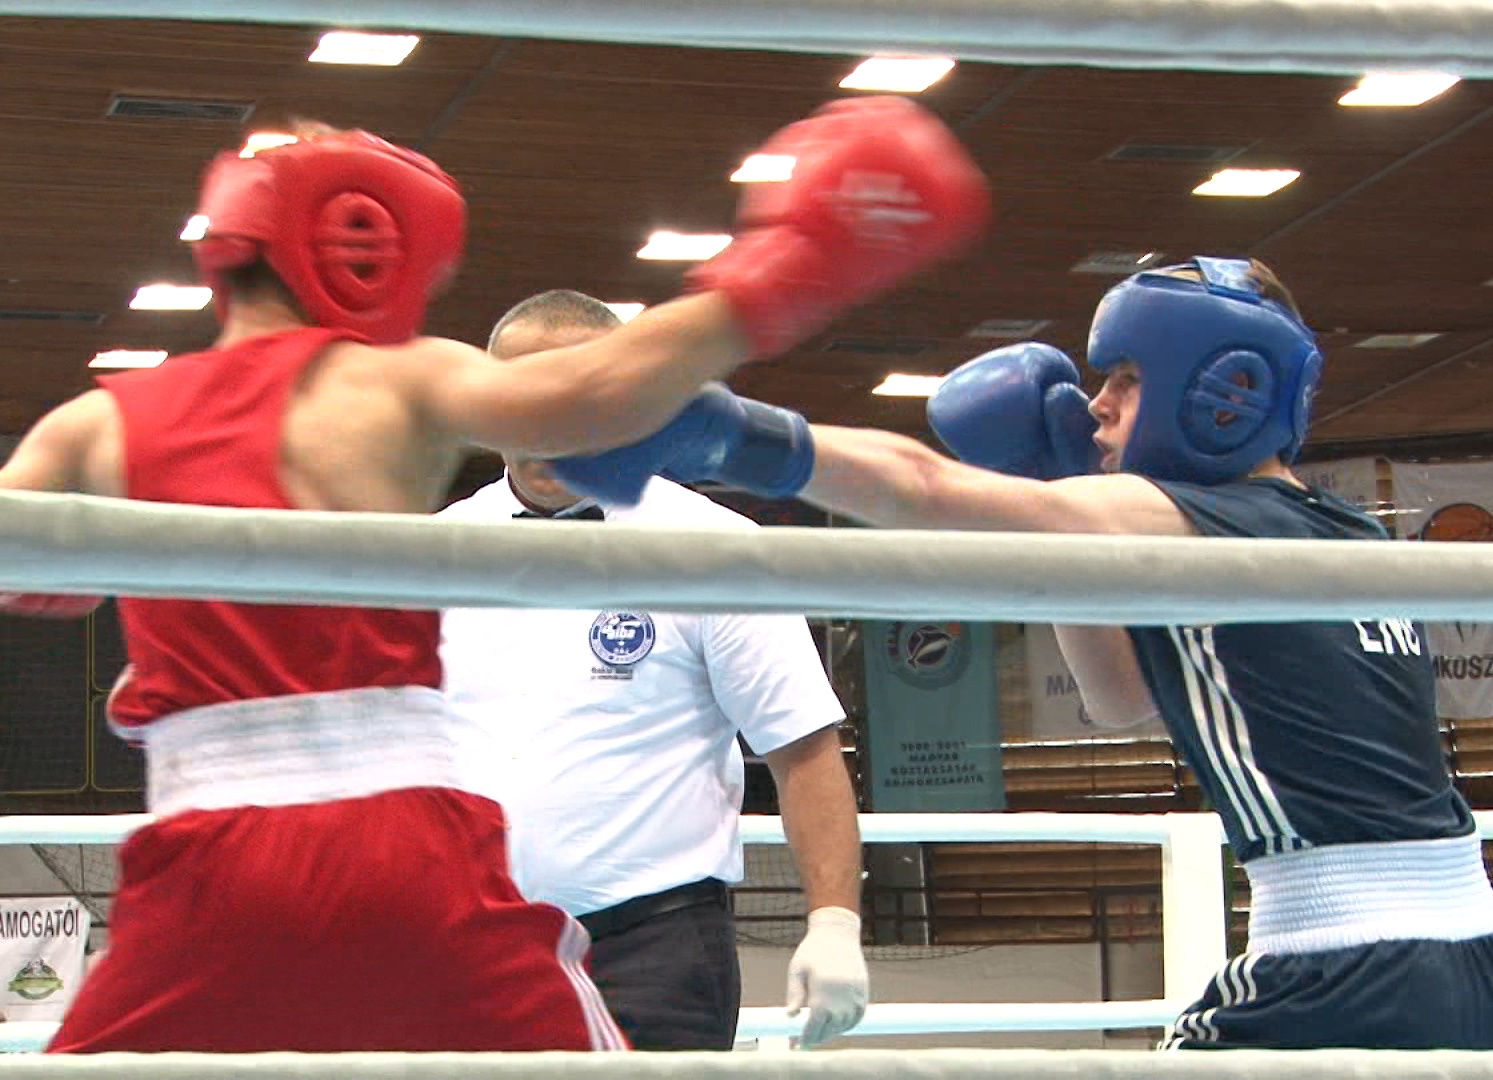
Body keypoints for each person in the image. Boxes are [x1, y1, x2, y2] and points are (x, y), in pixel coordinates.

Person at [0, 97, 986, 1053]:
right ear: (359, 247)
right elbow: (590, 397)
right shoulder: (391, 383)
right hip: (401, 846)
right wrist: (791, 267)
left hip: (200, 850)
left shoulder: (93, 425)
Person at [541, 256, 1493, 1050]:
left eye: (1127, 378)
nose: (1097, 403)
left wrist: (718, 434)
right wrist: (1065, 526)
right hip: (1477, 957)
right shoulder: (1343, 531)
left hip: (1344, 962)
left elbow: (924, 488)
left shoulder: (1199, 520)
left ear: (1222, 387)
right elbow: (1117, 697)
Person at [438, 289, 866, 1051]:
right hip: (469, 941)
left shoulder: (712, 549)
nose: (544, 420)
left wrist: (834, 922)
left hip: (653, 950)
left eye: (569, 393)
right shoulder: (431, 551)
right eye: (524, 397)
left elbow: (803, 747)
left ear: (621, 394)